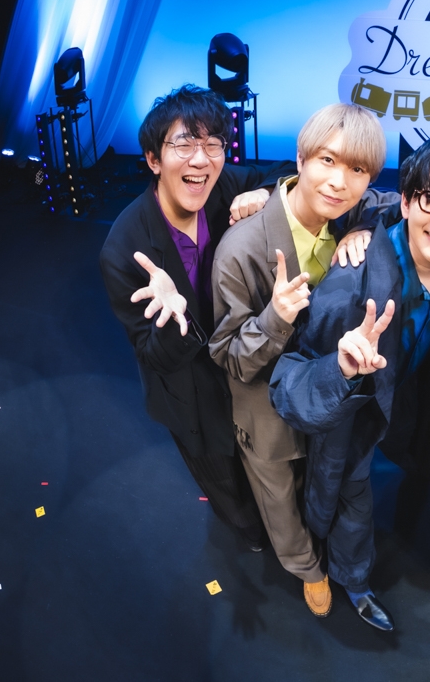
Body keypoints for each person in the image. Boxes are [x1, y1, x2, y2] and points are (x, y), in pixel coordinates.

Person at [269, 136, 430, 634]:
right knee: (347, 496)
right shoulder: (349, 289)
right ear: (410, 201)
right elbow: (287, 387)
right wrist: (341, 369)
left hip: (405, 398)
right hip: (348, 413)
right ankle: (351, 582)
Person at [208, 102, 396, 620]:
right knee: (279, 495)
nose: (339, 181)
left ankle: (330, 557)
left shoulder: (350, 211)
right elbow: (229, 357)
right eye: (327, 161)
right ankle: (307, 570)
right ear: (300, 159)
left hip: (325, 386)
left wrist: (363, 226)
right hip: (265, 404)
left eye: (357, 169)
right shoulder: (240, 249)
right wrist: (275, 317)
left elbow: (401, 204)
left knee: (324, 480)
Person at [98, 85, 290, 551]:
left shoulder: (223, 186)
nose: (201, 159)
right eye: (184, 145)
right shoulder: (123, 250)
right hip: (191, 390)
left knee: (268, 462)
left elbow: (286, 171)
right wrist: (174, 319)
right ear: (153, 159)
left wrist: (263, 191)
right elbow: (153, 357)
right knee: (223, 477)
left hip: (244, 366)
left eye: (213, 144)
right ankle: (251, 536)